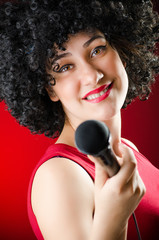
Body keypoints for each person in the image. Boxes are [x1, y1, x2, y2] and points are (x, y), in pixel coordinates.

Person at [0, 0, 159, 239]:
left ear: (122, 53)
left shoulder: (129, 150)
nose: (92, 75)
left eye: (97, 50)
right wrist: (113, 221)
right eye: (64, 67)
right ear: (50, 90)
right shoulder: (59, 175)